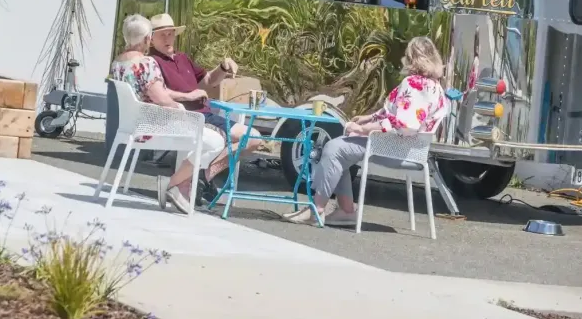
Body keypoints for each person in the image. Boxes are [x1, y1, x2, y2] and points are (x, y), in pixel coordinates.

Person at [283, 36, 447, 226]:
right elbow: (394, 114)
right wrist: (369, 118)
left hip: (398, 149)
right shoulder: (435, 87)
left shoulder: (414, 84)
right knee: (339, 148)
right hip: (413, 149)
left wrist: (363, 129)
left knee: (334, 149)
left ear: (412, 57)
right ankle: (345, 211)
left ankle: (317, 209)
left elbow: (403, 125)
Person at [109, 14, 226, 215]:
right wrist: (182, 109)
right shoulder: (147, 63)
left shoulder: (118, 63)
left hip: (133, 124)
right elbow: (161, 99)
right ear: (147, 39)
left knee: (206, 136)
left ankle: (176, 186)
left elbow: (152, 93)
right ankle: (175, 184)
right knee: (216, 141)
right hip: (154, 126)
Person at [148, 13, 264, 208]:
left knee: (253, 138)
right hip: (187, 116)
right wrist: (188, 96)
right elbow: (158, 93)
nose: (168, 38)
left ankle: (198, 175)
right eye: (162, 35)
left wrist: (223, 67)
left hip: (206, 114)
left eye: (171, 33)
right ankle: (190, 180)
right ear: (151, 39)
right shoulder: (152, 62)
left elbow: (208, 82)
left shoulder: (182, 58)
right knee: (250, 138)